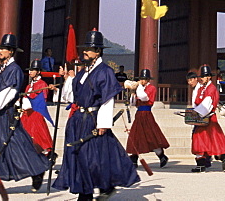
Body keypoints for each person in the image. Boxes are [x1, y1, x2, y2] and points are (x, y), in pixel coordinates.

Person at [52, 28, 139, 201]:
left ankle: (97, 190)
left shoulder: (105, 71)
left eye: (89, 48)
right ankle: (87, 192)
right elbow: (71, 96)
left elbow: (107, 99)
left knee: (93, 159)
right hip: (78, 120)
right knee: (80, 158)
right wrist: (68, 79)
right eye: (84, 48)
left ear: (98, 51)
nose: (84, 51)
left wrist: (103, 124)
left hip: (93, 120)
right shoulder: (83, 72)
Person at [0, 33, 51, 192]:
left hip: (5, 114)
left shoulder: (15, 70)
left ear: (11, 52)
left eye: (4, 49)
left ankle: (38, 169)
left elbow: (7, 94)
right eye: (0, 48)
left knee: (15, 145)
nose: (0, 51)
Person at [124, 68, 170, 168]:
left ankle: (161, 155)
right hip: (139, 113)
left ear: (148, 79)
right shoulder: (140, 89)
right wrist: (132, 93)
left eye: (144, 79)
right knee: (135, 135)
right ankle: (134, 158)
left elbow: (144, 97)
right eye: (141, 78)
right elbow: (134, 103)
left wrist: (138, 86)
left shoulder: (151, 88)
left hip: (146, 113)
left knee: (150, 135)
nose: (142, 80)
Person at [190, 63, 225, 172]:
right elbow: (196, 103)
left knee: (213, 141)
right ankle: (201, 164)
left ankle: (223, 156)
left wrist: (197, 112)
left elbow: (207, 104)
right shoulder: (200, 89)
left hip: (208, 118)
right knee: (198, 140)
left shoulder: (211, 89)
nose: (201, 79)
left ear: (208, 77)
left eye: (203, 77)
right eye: (200, 77)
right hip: (200, 118)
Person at [19, 59, 55, 155]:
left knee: (37, 136)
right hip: (26, 114)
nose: (30, 72)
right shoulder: (28, 85)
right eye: (30, 70)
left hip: (35, 114)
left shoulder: (42, 84)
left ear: (38, 72)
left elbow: (41, 99)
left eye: (33, 70)